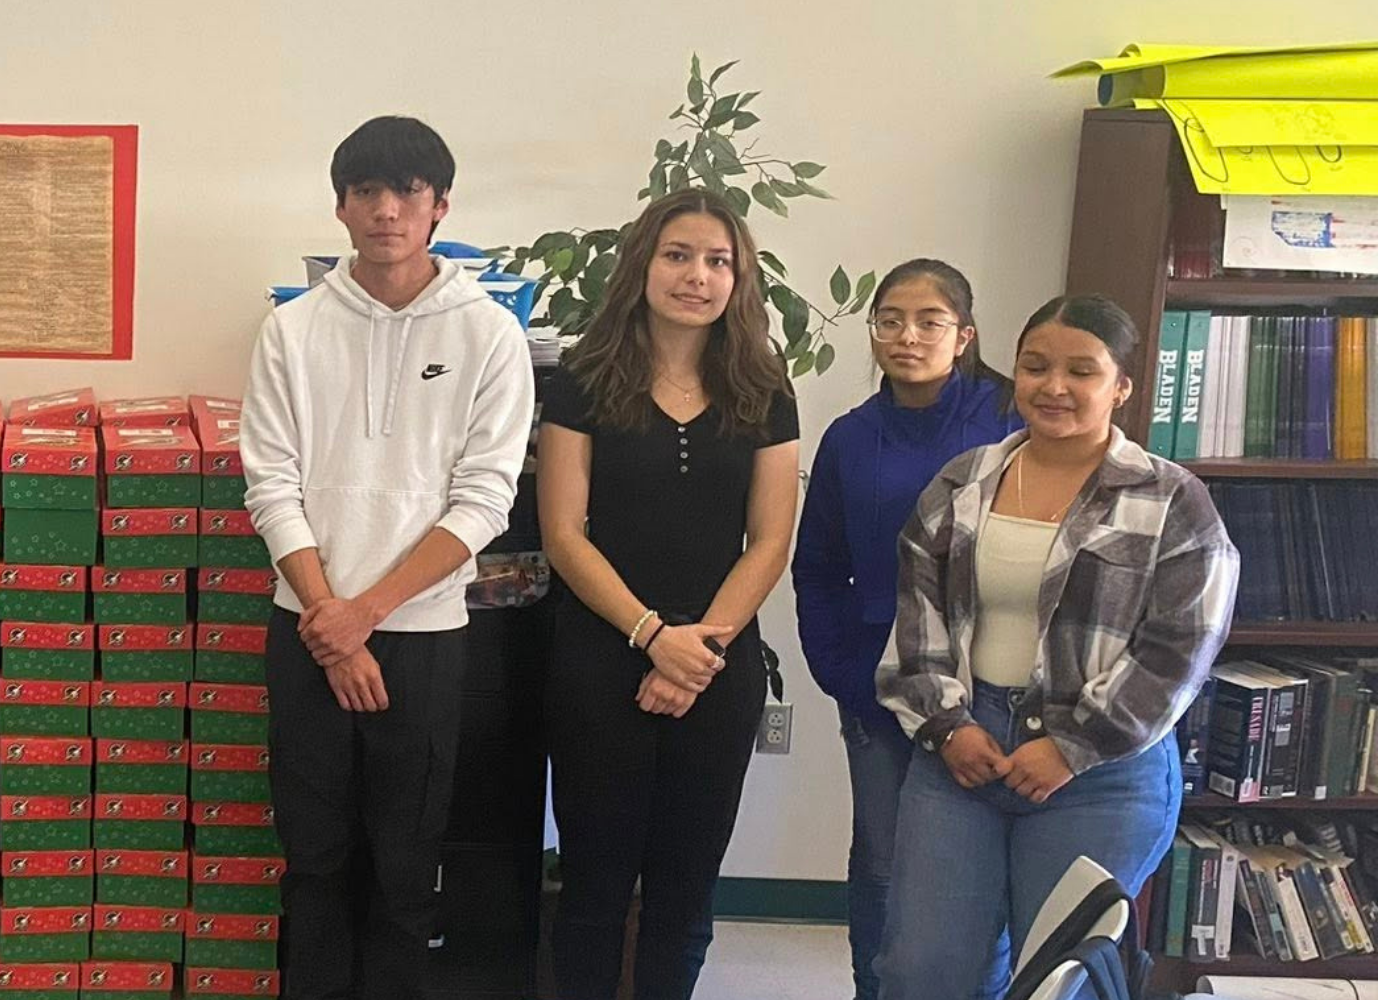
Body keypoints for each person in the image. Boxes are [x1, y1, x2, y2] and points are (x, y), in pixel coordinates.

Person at [235, 115, 533, 1000]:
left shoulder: (489, 336)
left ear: (440, 205)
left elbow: (484, 499)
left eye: (406, 191)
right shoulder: (294, 331)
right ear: (340, 206)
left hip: (423, 638)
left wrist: (360, 618)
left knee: (407, 870)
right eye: (366, 190)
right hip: (306, 633)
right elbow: (270, 486)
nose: (386, 209)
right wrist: (331, 623)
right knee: (314, 860)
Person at [876, 294, 1239, 1000]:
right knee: (924, 972)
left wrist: (1072, 747)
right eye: (1036, 366)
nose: (1055, 387)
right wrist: (950, 726)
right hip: (963, 753)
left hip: (1104, 771)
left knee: (1061, 982)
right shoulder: (962, 481)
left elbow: (1180, 648)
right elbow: (918, 618)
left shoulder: (1171, 499)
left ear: (1121, 386)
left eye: (1082, 371)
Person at [537, 188, 800, 1000]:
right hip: (597, 663)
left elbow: (772, 542)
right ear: (643, 266)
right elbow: (564, 534)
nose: (697, 276)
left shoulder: (764, 385)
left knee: (685, 891)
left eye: (718, 261)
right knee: (594, 886)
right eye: (678, 255)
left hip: (717, 671)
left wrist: (700, 650)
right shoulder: (583, 378)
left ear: (739, 277)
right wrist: (655, 637)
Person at [792, 258, 1020, 999]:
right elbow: (818, 567)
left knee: (985, 863)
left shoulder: (1010, 421)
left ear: (965, 336)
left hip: (994, 687)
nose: (907, 335)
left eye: (930, 321)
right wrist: (845, 676)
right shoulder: (850, 438)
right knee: (884, 866)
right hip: (879, 684)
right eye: (890, 320)